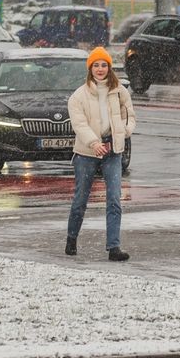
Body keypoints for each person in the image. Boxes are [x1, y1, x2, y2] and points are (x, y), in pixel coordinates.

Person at [65, 46, 136, 261]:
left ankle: (113, 247)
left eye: (103, 65)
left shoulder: (119, 91)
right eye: (96, 65)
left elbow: (130, 116)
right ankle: (71, 239)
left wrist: (124, 132)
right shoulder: (78, 96)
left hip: (113, 150)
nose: (100, 69)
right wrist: (94, 143)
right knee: (81, 199)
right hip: (87, 152)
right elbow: (79, 124)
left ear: (109, 68)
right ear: (90, 68)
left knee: (114, 198)